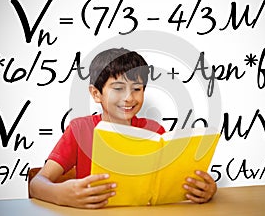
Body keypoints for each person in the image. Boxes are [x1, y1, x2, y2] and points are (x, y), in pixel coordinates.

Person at [29, 48, 217, 209]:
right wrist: (60, 195)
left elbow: (168, 184)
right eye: (118, 88)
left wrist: (205, 189)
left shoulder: (154, 131)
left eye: (137, 88)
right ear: (96, 94)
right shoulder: (80, 129)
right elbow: (37, 184)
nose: (128, 97)